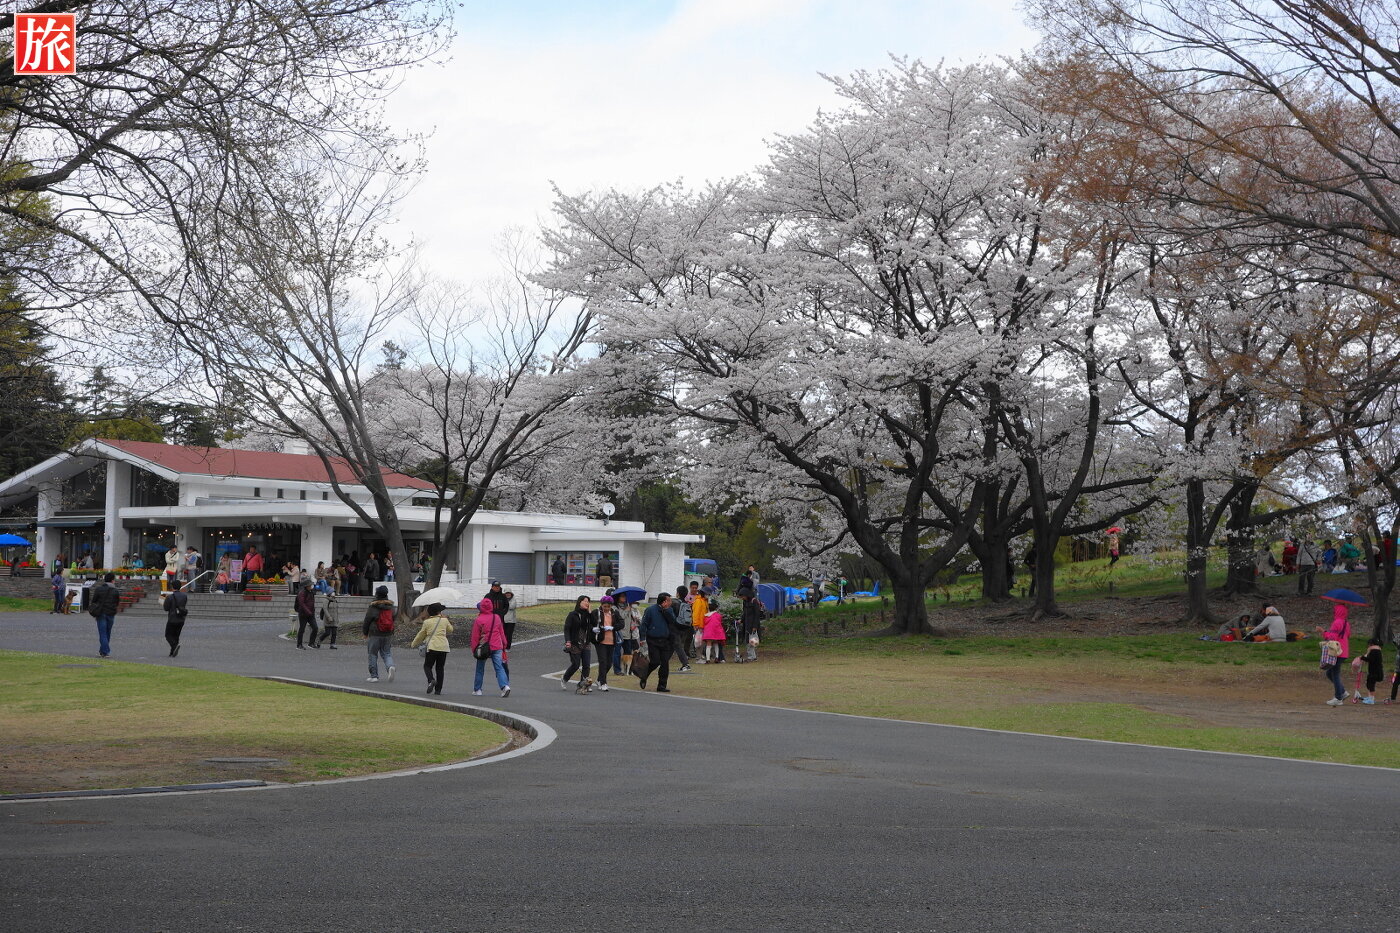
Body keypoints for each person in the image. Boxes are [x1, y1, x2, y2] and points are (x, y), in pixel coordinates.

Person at [470, 597, 510, 698]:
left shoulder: (479, 620)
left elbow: (475, 636)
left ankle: (478, 689)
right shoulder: (496, 617)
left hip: (483, 646)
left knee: (480, 669)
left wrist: (474, 649)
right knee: (499, 668)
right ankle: (504, 686)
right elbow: (501, 632)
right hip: (497, 645)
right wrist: (504, 644)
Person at [411, 602, 453, 695]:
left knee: (427, 666)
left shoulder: (427, 622)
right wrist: (445, 619)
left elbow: (421, 634)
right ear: (439, 612)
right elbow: (450, 629)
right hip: (443, 647)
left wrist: (414, 644)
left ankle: (431, 680)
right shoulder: (444, 620)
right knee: (440, 668)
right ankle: (438, 690)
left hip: (432, 646)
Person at [639, 593, 677, 692]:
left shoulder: (669, 610)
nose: (670, 602)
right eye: (669, 600)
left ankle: (662, 685)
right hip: (653, 639)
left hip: (666, 640)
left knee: (665, 663)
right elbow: (644, 624)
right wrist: (642, 638)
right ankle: (644, 675)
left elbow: (673, 621)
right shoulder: (650, 610)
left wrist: (666, 611)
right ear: (664, 601)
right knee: (655, 661)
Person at [1317, 602, 1352, 706]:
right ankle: (1342, 692)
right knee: (1330, 673)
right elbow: (1348, 635)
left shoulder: (1336, 622)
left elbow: (1331, 637)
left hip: (1336, 651)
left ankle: (1338, 698)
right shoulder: (1346, 623)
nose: (1333, 612)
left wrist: (1322, 631)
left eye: (1335, 610)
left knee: (1335, 674)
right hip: (1343, 651)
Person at [363, 585, 397, 683]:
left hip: (375, 633)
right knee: (387, 653)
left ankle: (374, 676)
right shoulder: (391, 607)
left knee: (372, 654)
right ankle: (390, 666)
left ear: (377, 594)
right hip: (388, 633)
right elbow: (393, 618)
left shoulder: (373, 607)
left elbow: (367, 620)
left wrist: (365, 632)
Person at [562, 595, 595, 690]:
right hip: (575, 643)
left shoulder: (589, 615)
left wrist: (590, 613)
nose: (587, 603)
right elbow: (567, 629)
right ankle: (565, 678)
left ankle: (583, 684)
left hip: (586, 642)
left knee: (586, 665)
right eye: (585, 601)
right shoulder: (573, 614)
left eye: (588, 601)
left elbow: (593, 623)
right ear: (579, 602)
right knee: (576, 665)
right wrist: (568, 641)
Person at [592, 595, 621, 691]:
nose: (606, 608)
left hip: (611, 641)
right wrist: (593, 629)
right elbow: (590, 623)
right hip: (600, 641)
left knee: (609, 663)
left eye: (608, 606)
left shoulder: (614, 613)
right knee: (603, 661)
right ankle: (603, 683)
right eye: (604, 606)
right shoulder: (596, 612)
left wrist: (613, 627)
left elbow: (622, 623)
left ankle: (599, 679)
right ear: (601, 605)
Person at [89, 572, 120, 658]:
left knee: (102, 633)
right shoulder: (115, 591)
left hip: (101, 613)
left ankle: (105, 651)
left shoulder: (99, 589)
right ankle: (103, 651)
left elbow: (94, 600)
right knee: (107, 633)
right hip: (111, 613)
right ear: (112, 580)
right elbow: (117, 602)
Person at [613, 592, 640, 676]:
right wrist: (626, 610)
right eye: (622, 596)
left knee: (628, 653)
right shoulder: (614, 607)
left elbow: (631, 619)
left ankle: (628, 670)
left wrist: (634, 618)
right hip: (619, 633)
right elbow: (620, 617)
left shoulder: (628, 606)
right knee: (617, 653)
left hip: (628, 634)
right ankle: (617, 670)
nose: (624, 598)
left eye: (625, 596)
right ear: (618, 597)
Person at [163, 581, 189, 656]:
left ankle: (174, 646)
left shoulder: (169, 597)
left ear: (172, 587)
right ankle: (172, 652)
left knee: (168, 635)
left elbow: (166, 608)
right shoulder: (184, 596)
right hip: (181, 618)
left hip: (172, 618)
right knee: (176, 635)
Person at [672, 585, 693, 671]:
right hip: (684, 627)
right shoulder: (686, 604)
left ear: (678, 593)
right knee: (674, 645)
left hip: (675, 627)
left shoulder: (675, 603)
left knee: (677, 645)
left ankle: (686, 664)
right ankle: (662, 662)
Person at [1357, 636, 1383, 705]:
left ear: (1372, 644)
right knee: (1369, 683)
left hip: (1375, 671)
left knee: (1371, 684)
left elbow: (1371, 659)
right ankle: (1369, 697)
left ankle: (1371, 699)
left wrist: (1362, 658)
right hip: (1373, 670)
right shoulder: (1376, 650)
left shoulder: (1375, 651)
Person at [294, 580, 318, 649]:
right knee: (302, 629)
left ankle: (311, 643)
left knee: (315, 628)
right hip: (303, 614)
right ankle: (299, 645)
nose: (311, 586)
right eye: (310, 585)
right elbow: (302, 604)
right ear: (306, 586)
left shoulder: (311, 592)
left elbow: (312, 602)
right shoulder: (302, 593)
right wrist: (308, 612)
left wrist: (312, 612)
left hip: (311, 614)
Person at [500, 590, 519, 679]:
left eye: (509, 593)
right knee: (503, 634)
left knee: (509, 634)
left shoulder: (513, 599)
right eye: (506, 593)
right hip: (504, 619)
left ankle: (508, 647)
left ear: (511, 594)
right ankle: (503, 646)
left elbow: (511, 607)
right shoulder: (503, 599)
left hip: (511, 620)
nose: (508, 595)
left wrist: (505, 604)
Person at [740, 593, 763, 662]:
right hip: (747, 625)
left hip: (752, 625)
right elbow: (745, 613)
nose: (742, 598)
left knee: (752, 642)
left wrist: (755, 626)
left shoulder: (754, 601)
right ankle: (752, 656)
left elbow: (757, 615)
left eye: (742, 596)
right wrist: (741, 620)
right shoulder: (745, 602)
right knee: (748, 641)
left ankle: (752, 656)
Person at [690, 582, 709, 663]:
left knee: (701, 642)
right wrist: (696, 624)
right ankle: (698, 658)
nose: (708, 595)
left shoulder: (704, 601)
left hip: (703, 625)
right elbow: (696, 614)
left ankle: (700, 656)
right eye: (707, 594)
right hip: (699, 625)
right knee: (698, 642)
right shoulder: (698, 601)